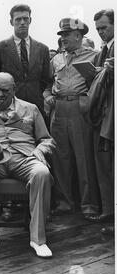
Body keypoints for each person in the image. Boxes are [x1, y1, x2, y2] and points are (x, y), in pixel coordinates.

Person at [0, 72, 54, 258]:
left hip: (24, 158)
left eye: (5, 90)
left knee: (42, 172)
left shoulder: (31, 109)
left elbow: (46, 140)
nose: (0, 95)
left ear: (14, 89)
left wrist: (39, 152)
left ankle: (38, 239)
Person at [44, 18, 99, 218]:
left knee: (84, 158)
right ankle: (64, 203)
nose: (63, 38)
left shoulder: (94, 56)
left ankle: (89, 205)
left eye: (66, 35)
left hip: (79, 108)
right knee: (60, 158)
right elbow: (47, 84)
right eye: (62, 35)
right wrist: (48, 96)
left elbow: (100, 86)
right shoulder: (56, 59)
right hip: (58, 109)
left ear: (78, 35)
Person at [0, 4, 51, 124]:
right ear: (11, 22)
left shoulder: (42, 49)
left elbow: (44, 79)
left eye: (25, 19)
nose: (22, 22)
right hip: (9, 109)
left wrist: (33, 91)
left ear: (30, 20)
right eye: (18, 19)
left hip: (35, 106)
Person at [86, 9, 114, 235]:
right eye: (98, 29)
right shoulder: (102, 51)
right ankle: (108, 210)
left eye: (104, 27)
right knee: (103, 164)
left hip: (112, 115)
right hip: (102, 115)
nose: (101, 32)